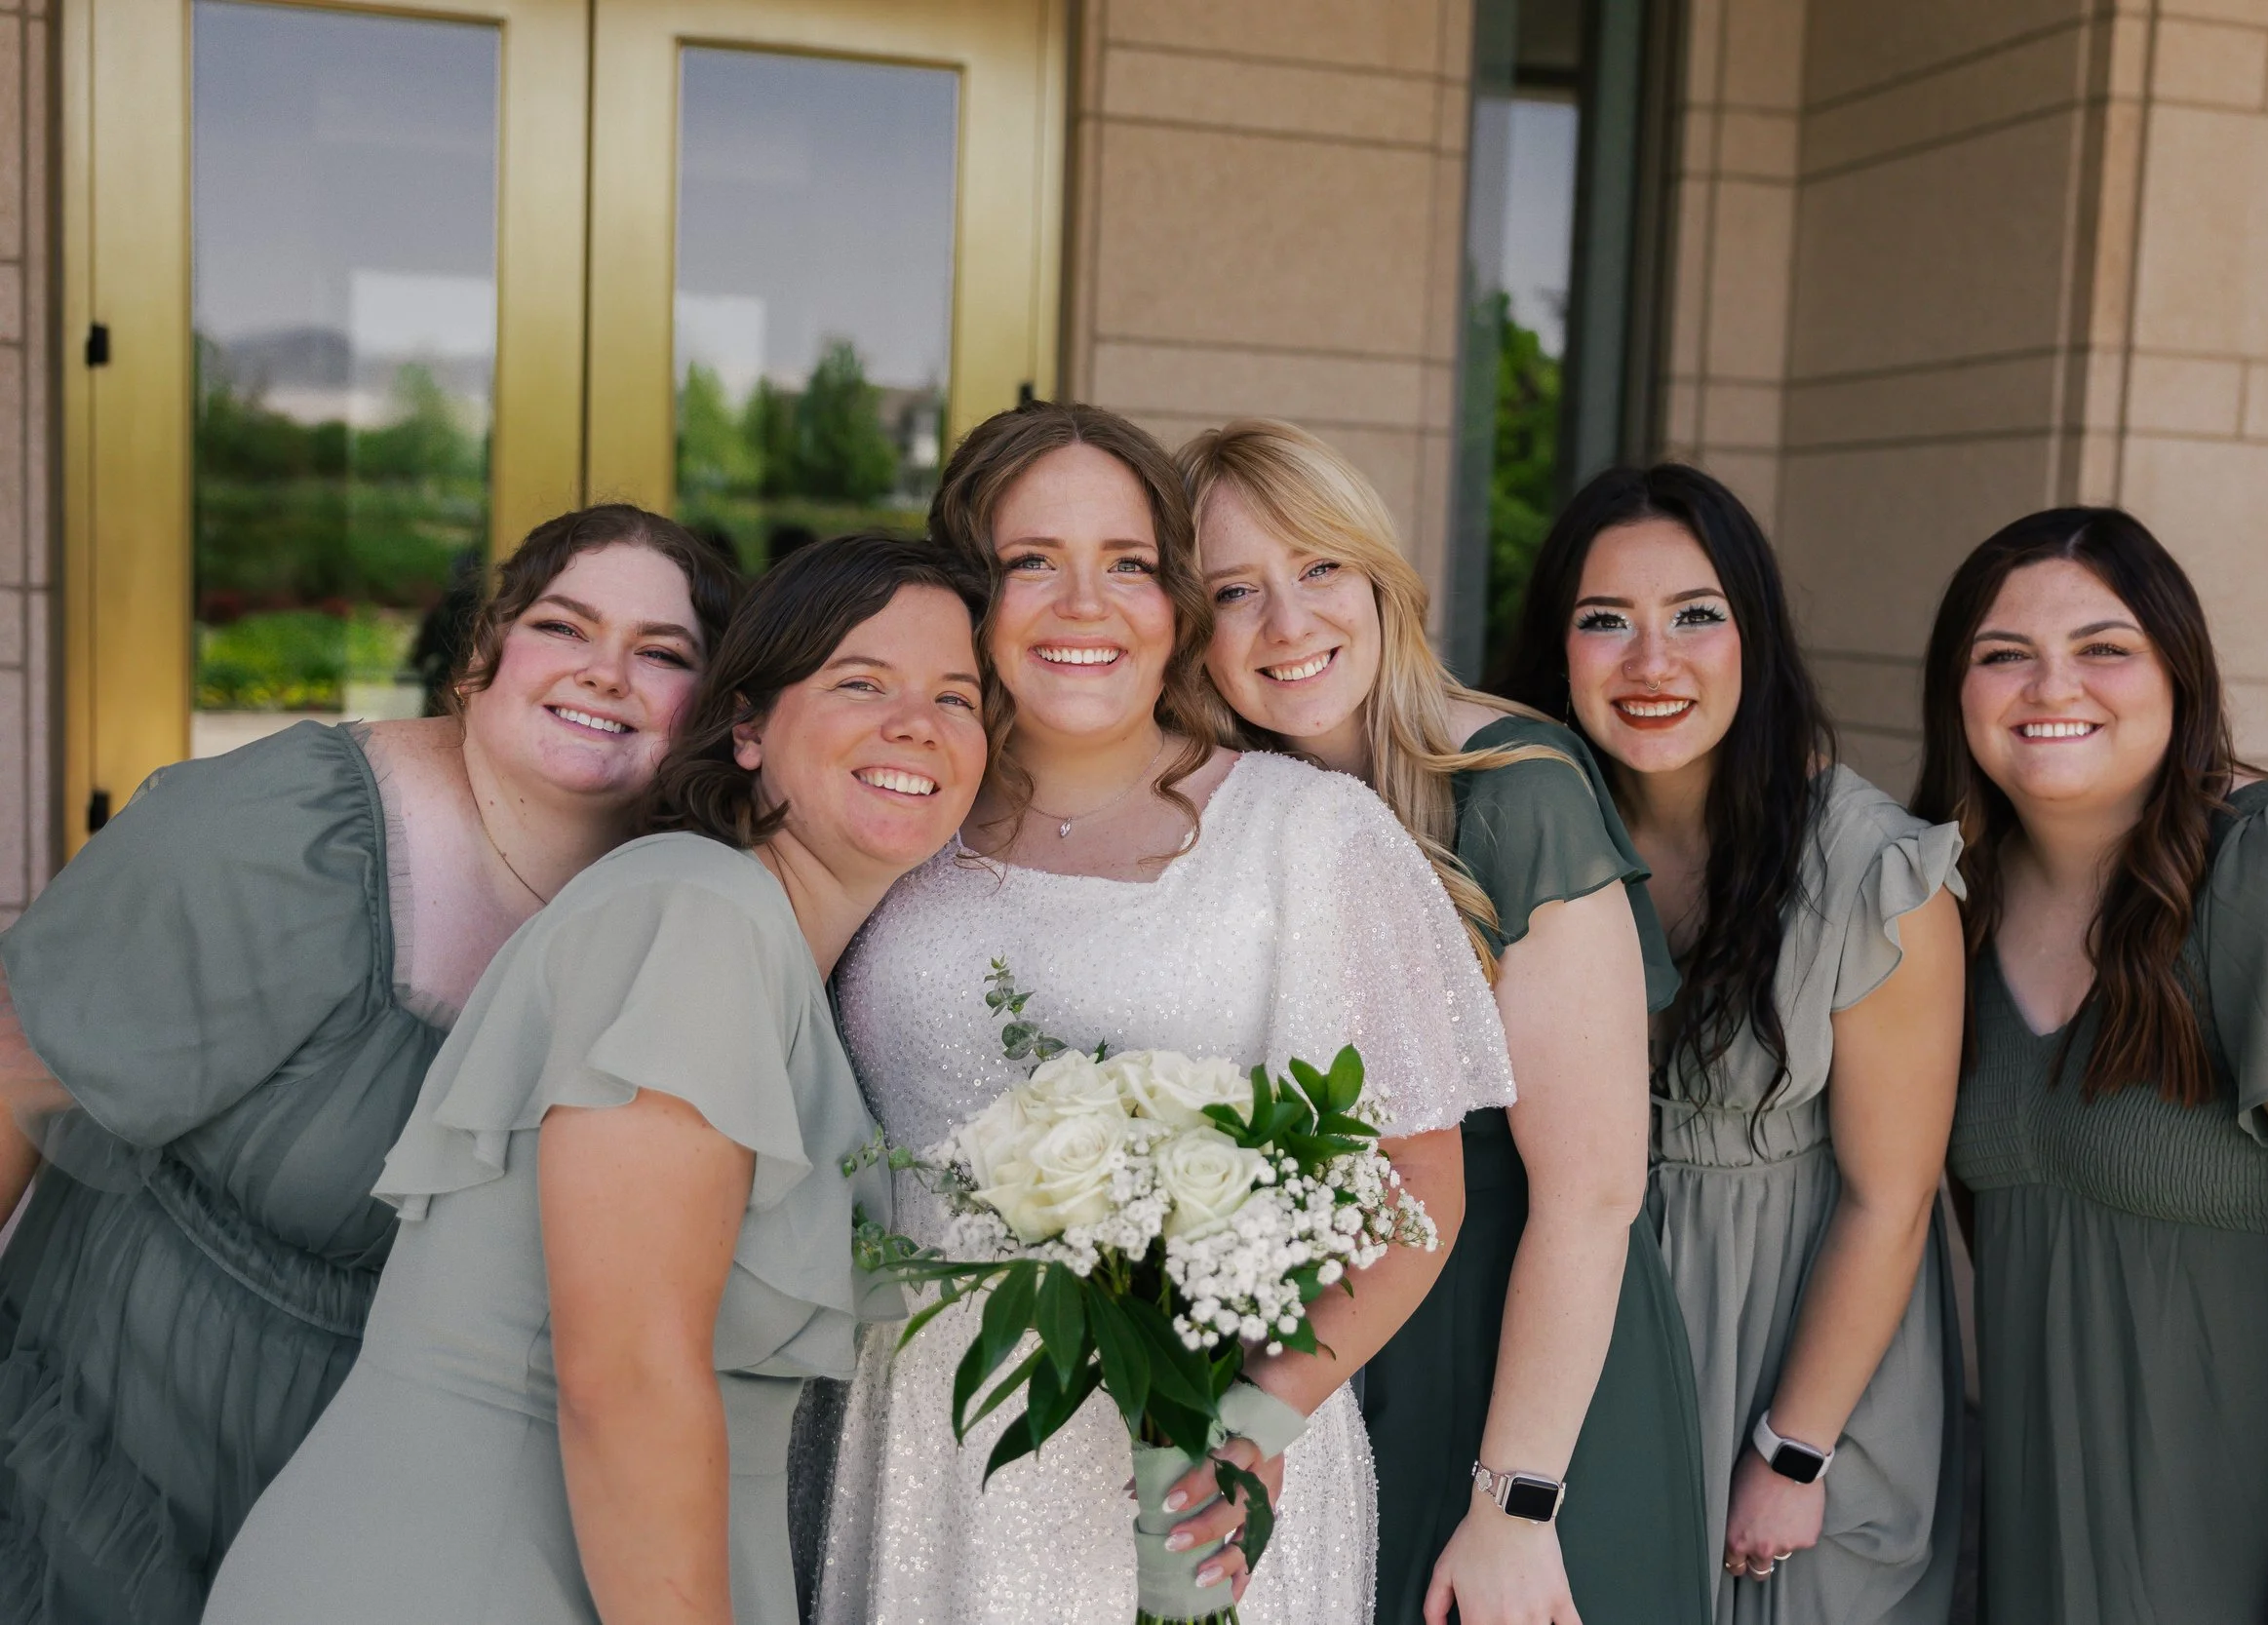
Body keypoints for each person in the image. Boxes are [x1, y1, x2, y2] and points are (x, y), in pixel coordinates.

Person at [810, 402, 1513, 1624]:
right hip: (927, 1434)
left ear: (1176, 604)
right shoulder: (896, 817)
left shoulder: (1307, 836)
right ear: (966, 593)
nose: (1085, 605)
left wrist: (1252, 1422)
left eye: (1128, 565)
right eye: (1033, 561)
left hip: (1205, 1453)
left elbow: (1416, 1188)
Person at [202, 532, 988, 1625]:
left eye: (958, 696)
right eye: (862, 681)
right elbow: (625, 1377)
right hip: (472, 1573)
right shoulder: (696, 917)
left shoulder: (779, 957)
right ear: (749, 725)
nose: (918, 722)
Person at [0, 504, 734, 1625]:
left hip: (368, 1523)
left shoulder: (672, 910)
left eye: (663, 652)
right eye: (563, 625)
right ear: (483, 656)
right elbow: (17, 1074)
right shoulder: (292, 826)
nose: (607, 673)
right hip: (102, 1456)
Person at [1180, 418, 1711, 1625]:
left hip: (1520, 1377)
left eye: (1320, 568)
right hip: (1325, 1371)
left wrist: (1514, 1504)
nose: (1289, 622)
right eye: (1233, 590)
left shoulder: (1515, 790)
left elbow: (1591, 1192)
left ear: (1379, 580)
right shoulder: (1223, 810)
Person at [1917, 508, 2268, 1623]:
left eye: (2103, 647)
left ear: (2178, 671)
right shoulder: (1953, 906)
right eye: (2003, 654)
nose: (2050, 686)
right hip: (2049, 1537)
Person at [1499, 465, 1966, 1623]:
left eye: (1695, 616)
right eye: (1605, 620)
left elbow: (1889, 1198)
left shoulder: (1873, 872)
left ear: (1754, 639)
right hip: (1567, 1344)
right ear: (1556, 650)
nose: (1651, 662)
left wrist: (1792, 1446)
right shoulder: (1513, 832)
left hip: (1785, 1354)